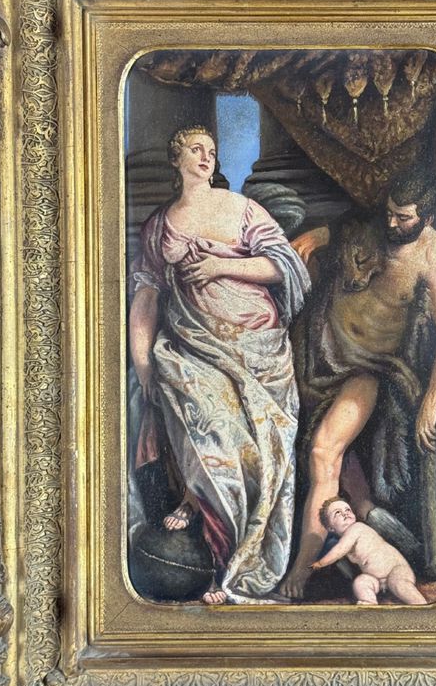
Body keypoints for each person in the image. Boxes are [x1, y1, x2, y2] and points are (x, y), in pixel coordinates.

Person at [129, 126, 310, 604]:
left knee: (259, 454)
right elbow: (146, 294)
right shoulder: (159, 226)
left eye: (211, 150)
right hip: (193, 345)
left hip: (259, 349)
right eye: (196, 150)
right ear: (176, 159)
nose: (206, 157)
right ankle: (209, 536)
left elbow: (283, 266)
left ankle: (233, 567)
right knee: (210, 425)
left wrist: (220, 266)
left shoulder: (241, 209)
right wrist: (143, 362)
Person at [280, 168, 436, 600]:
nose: (391, 224)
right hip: (312, 353)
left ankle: (301, 571)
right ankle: (362, 519)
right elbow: (335, 234)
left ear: (427, 219)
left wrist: (432, 401)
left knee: (324, 451)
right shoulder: (375, 225)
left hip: (367, 369)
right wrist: (311, 240)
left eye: (403, 218)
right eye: (389, 214)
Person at [312, 496, 427, 605]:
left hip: (395, 570)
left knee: (399, 584)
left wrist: (321, 563)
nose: (345, 513)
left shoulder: (356, 528)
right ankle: (369, 602)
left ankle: (420, 605)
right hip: (376, 579)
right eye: (337, 513)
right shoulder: (343, 539)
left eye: (347, 509)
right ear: (330, 528)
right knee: (360, 582)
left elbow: (339, 550)